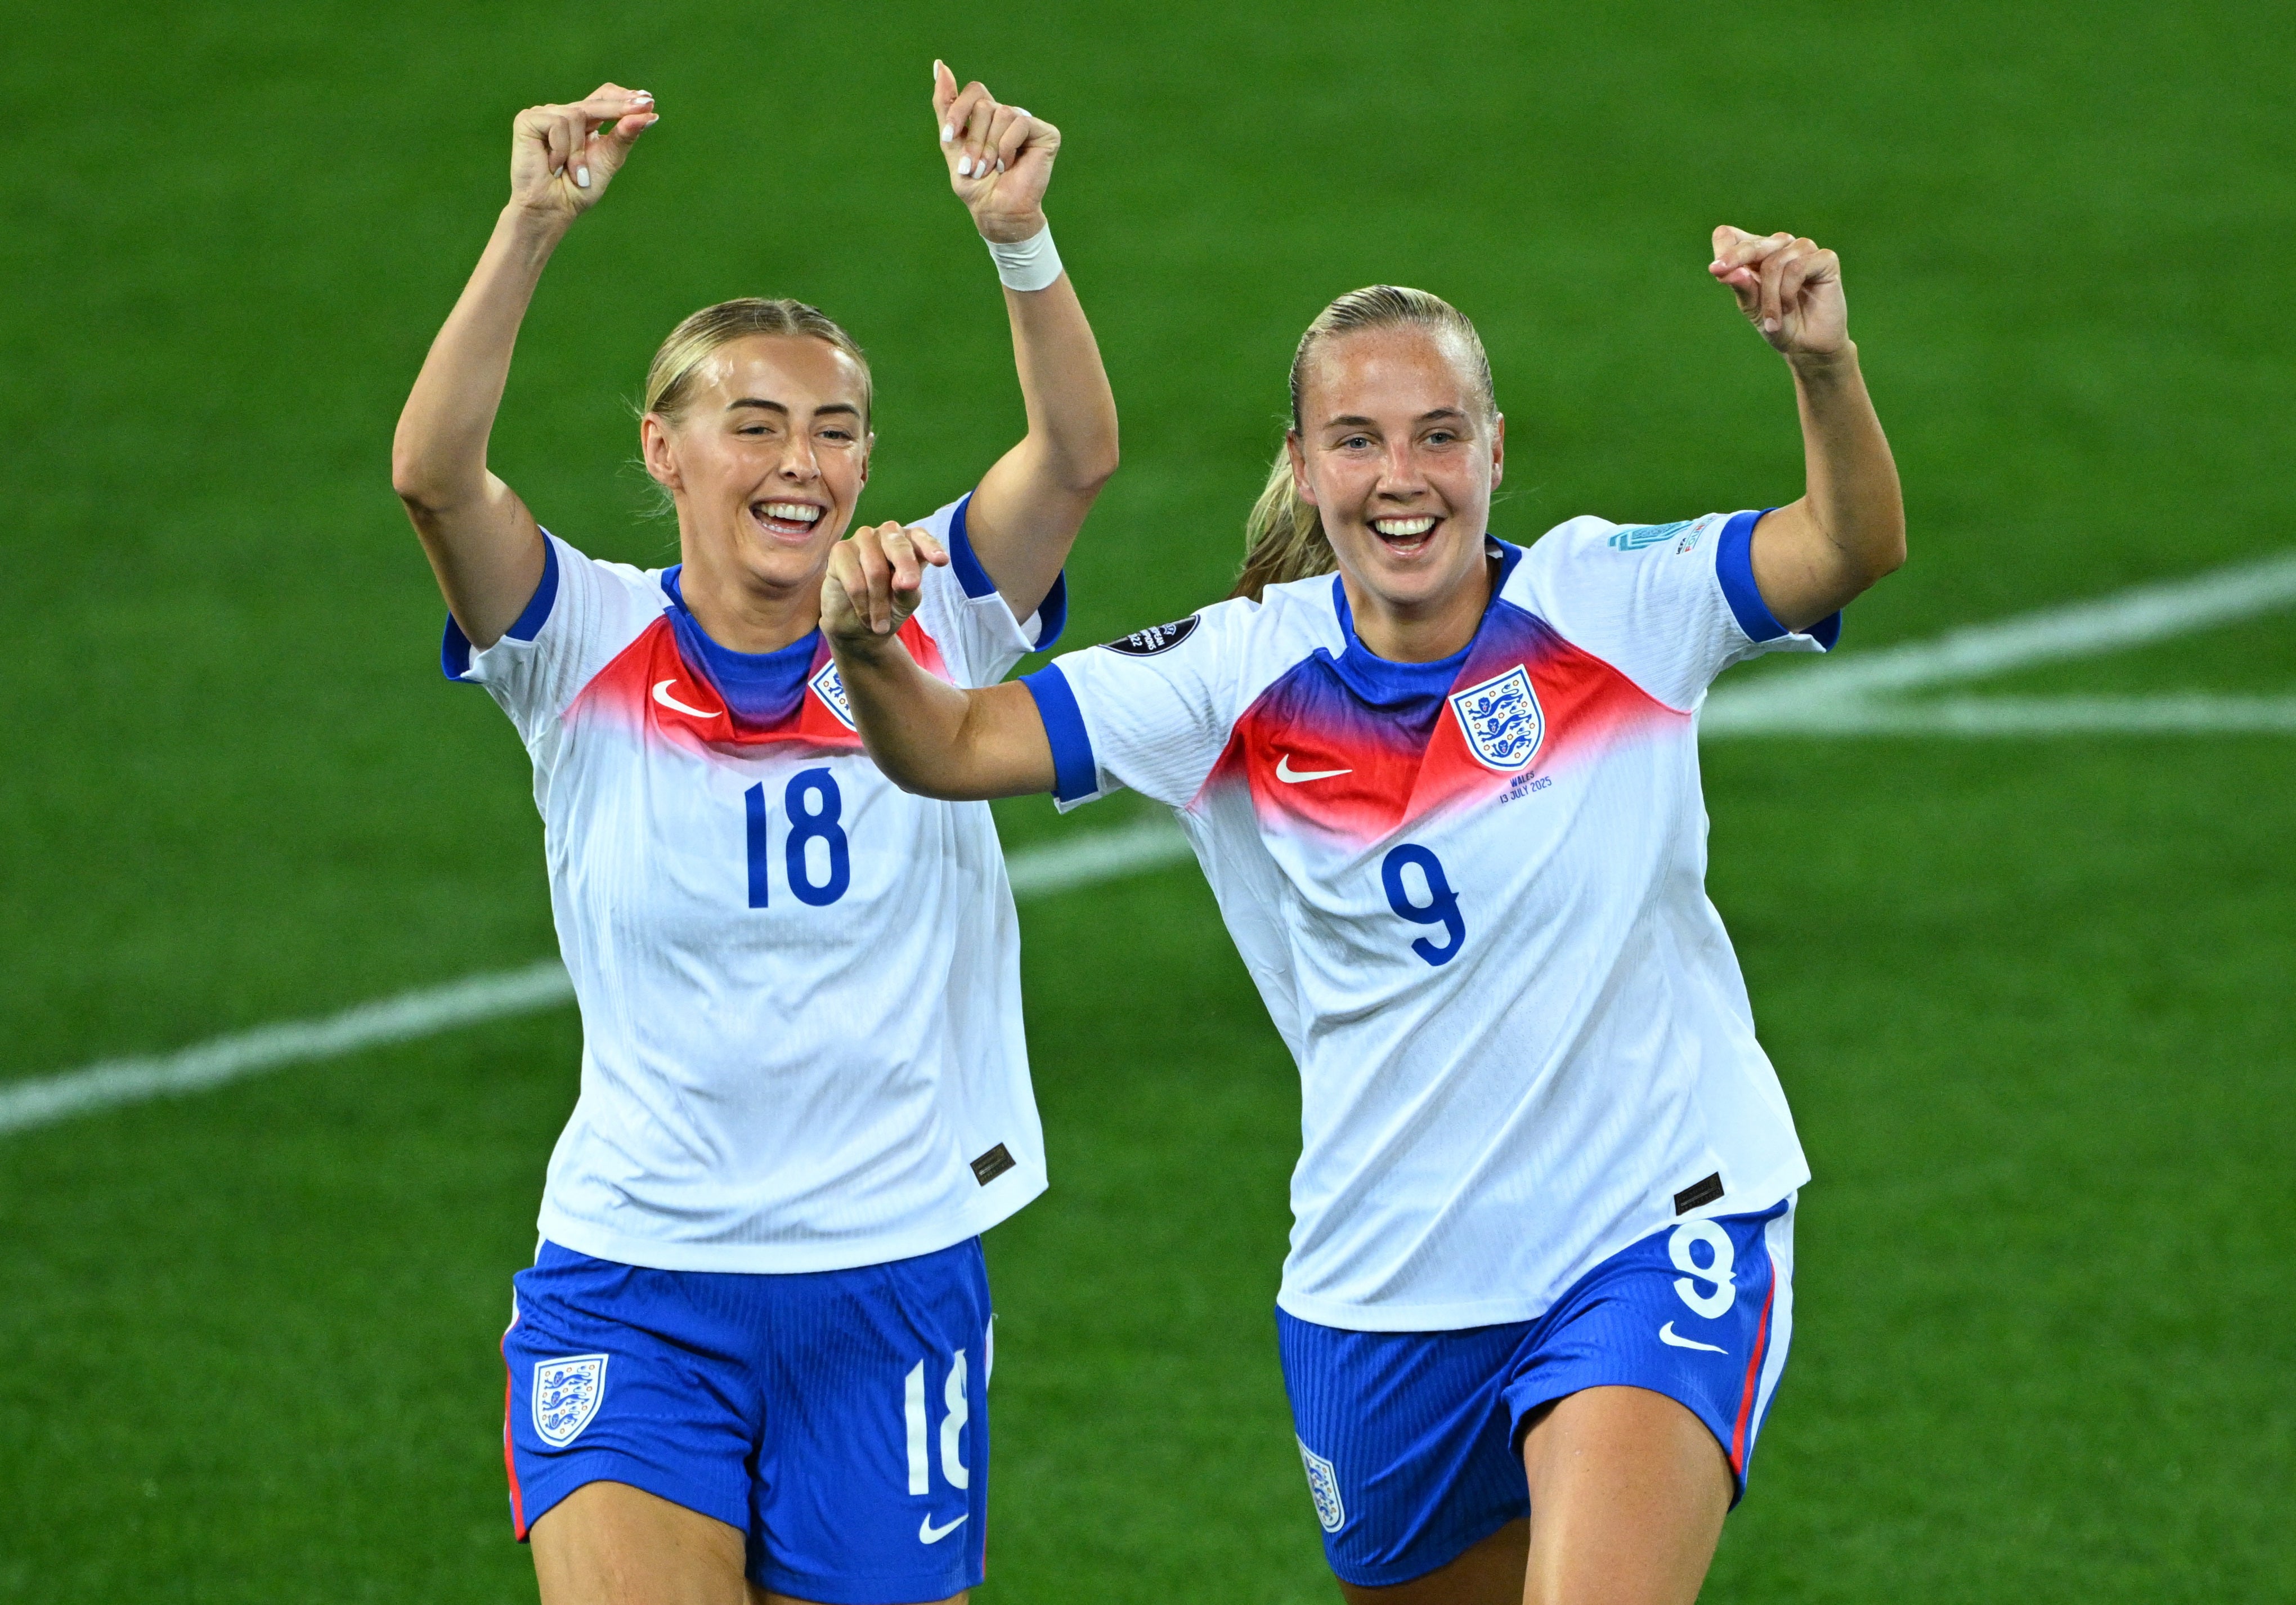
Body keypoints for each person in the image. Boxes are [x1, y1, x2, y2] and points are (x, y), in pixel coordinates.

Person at [820, 227, 1903, 1604]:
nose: (1403, 477)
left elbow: (1850, 544)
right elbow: (952, 742)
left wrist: (1822, 367)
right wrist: (865, 648)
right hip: (1386, 1285)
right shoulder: (1231, 677)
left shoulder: (1611, 602)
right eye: (1358, 440)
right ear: (1303, 462)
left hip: (1658, 1220)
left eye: (1439, 435)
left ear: (1495, 450)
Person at [389, 62, 1116, 1605]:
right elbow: (435, 480)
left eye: (837, 432)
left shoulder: (934, 611)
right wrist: (529, 225)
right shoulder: (577, 639)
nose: (802, 463)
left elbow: (1073, 458)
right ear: (665, 451)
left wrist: (1020, 241)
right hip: (635, 1278)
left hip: (888, 1275)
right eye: (758, 425)